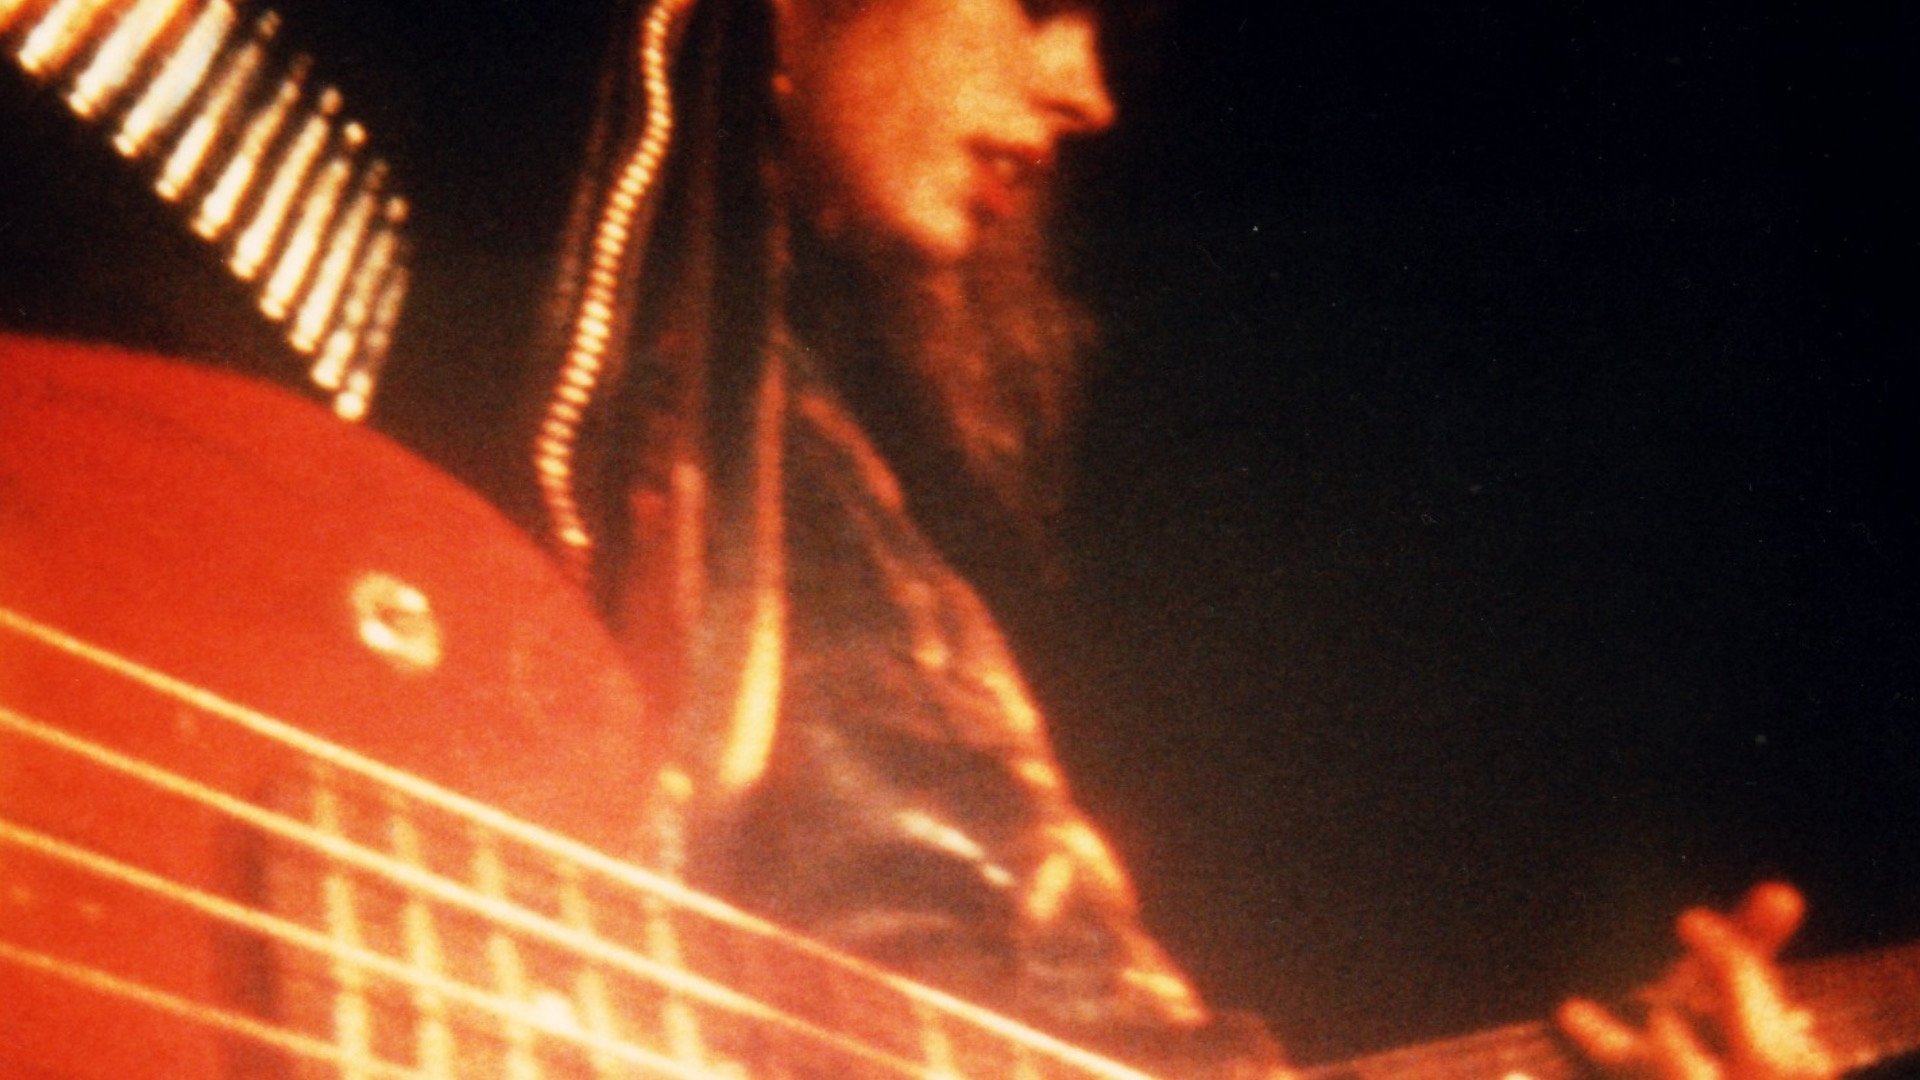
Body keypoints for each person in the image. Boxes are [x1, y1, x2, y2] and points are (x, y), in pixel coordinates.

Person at [512, 0, 1846, 1078]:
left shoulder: (753, 447)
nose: (1087, 91)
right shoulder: (671, 405)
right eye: (1043, 4)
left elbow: (1015, 998)